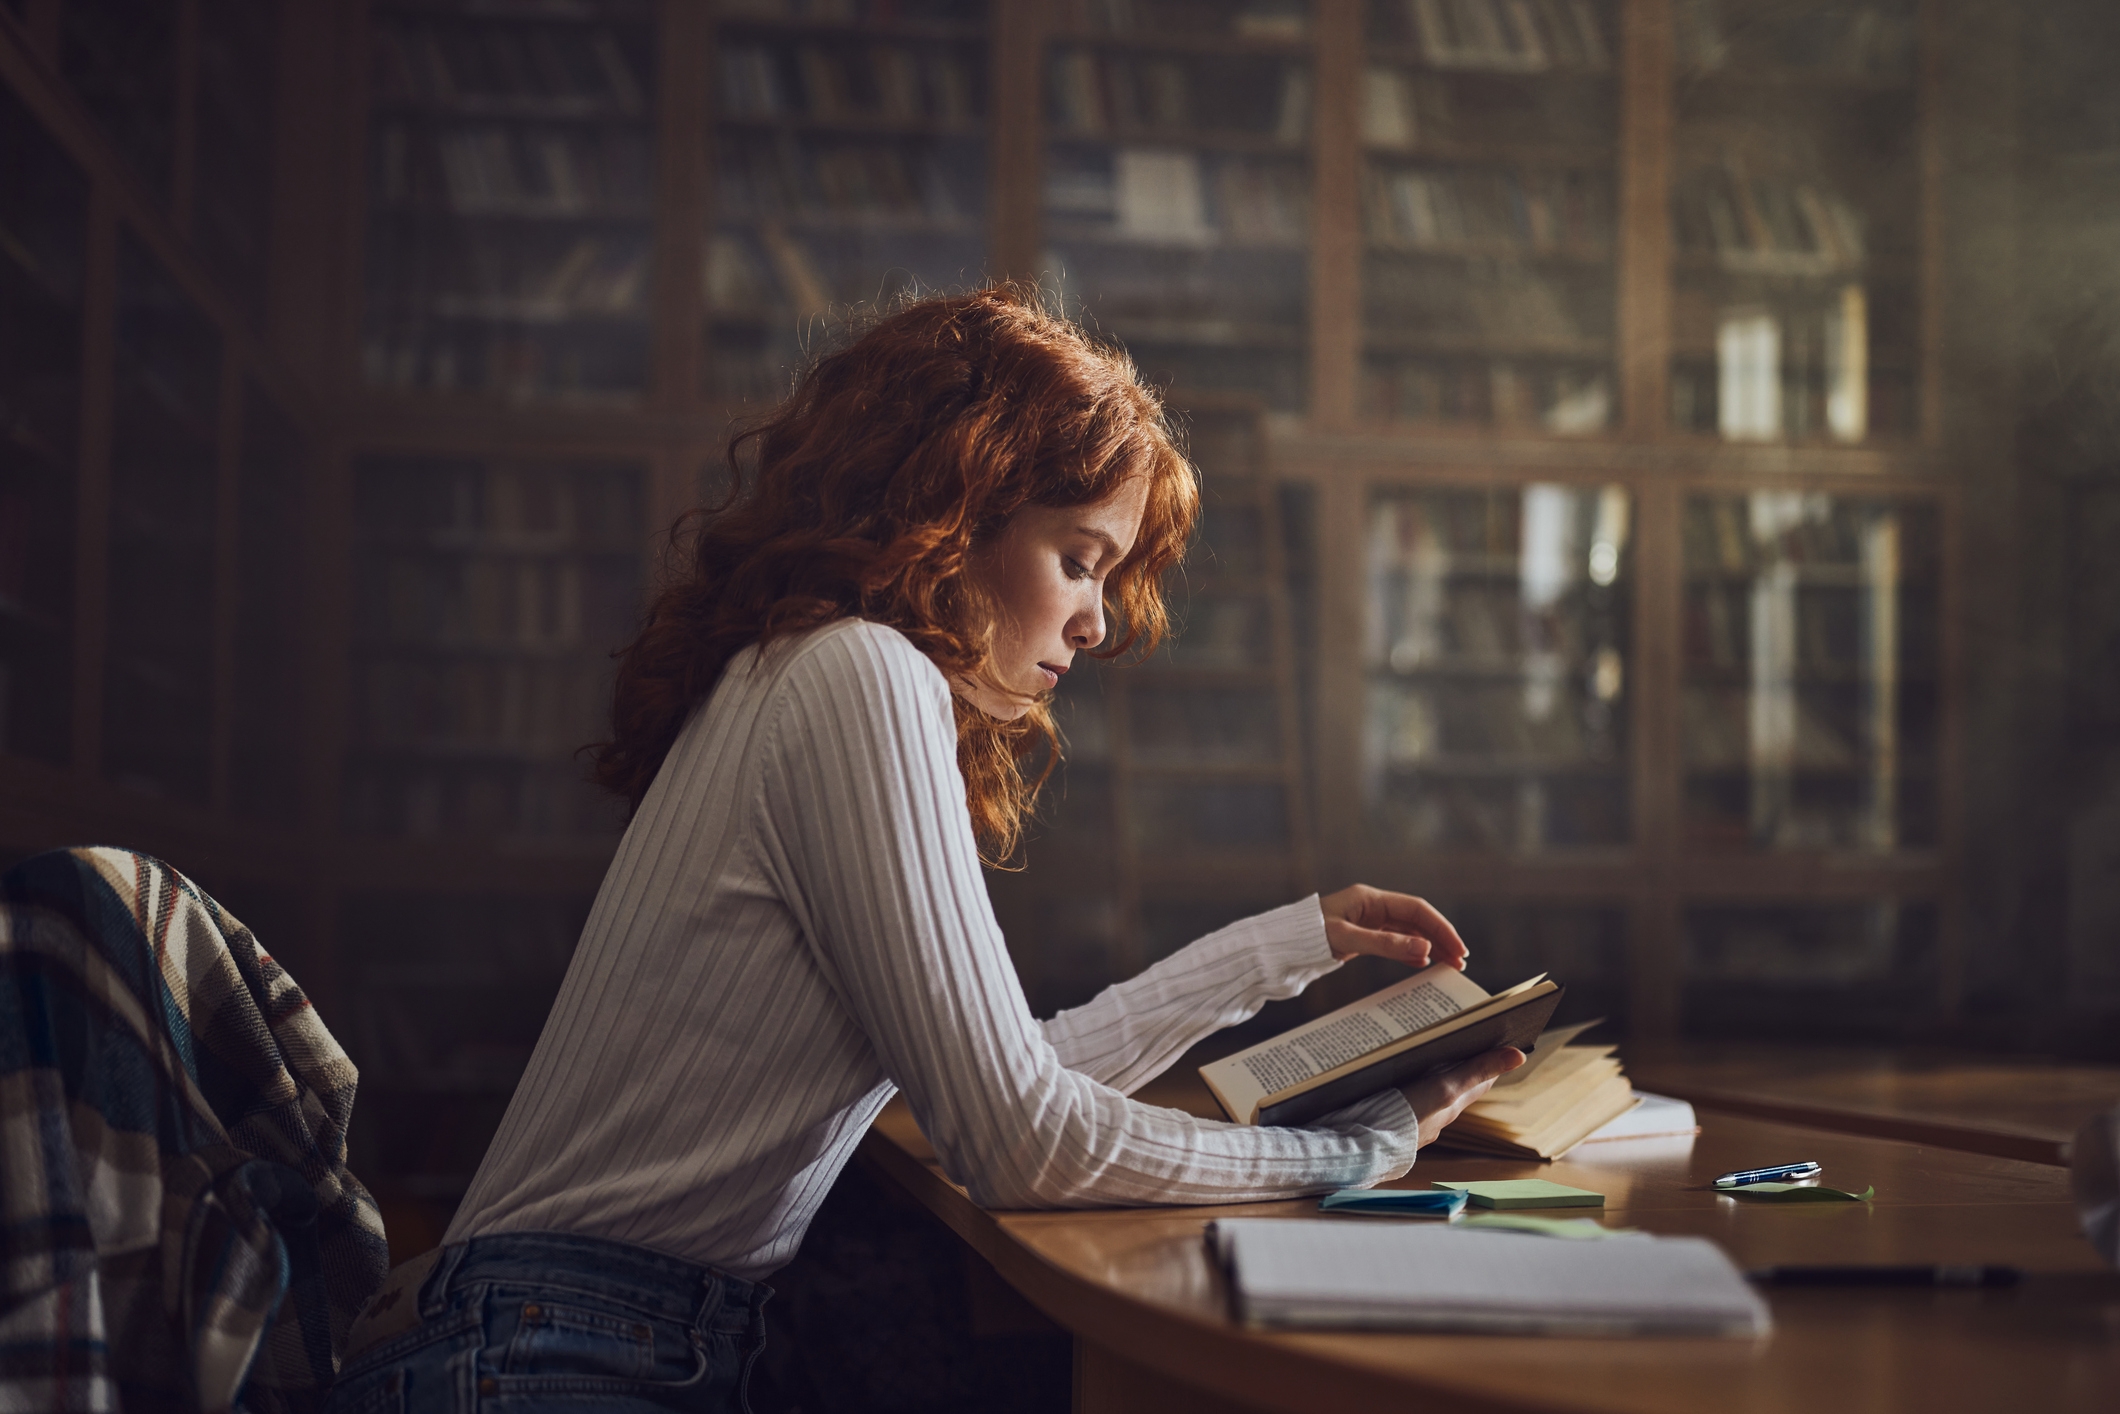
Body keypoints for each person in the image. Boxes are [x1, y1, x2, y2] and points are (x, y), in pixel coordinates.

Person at [324, 286, 1523, 1413]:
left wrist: (1288, 944)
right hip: (548, 1355)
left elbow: (1003, 1081)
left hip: (549, 1338)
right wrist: (1354, 1149)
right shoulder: (862, 672)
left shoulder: (808, 664)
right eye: (1079, 559)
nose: (1099, 623)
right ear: (960, 504)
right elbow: (1019, 1141)